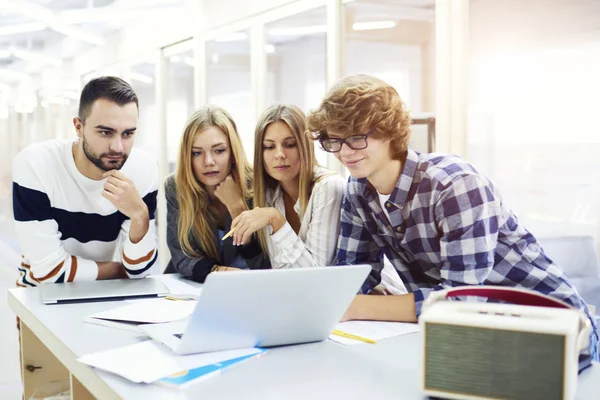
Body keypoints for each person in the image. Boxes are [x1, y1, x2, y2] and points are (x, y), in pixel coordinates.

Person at [307, 74, 598, 365]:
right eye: (335, 140)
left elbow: (461, 302)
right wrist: (345, 300)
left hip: (554, 332)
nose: (345, 151)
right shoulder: (358, 192)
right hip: (473, 338)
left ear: (389, 132)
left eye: (357, 137)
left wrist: (362, 306)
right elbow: (350, 277)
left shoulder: (454, 185)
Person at [13, 76, 158, 287]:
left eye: (128, 133)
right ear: (78, 127)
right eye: (105, 132)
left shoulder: (142, 168)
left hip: (105, 296)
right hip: (40, 297)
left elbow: (139, 269)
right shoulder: (36, 165)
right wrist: (119, 270)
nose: (117, 147)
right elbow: (49, 272)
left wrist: (140, 215)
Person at [230, 104, 344, 269]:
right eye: (269, 147)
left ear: (305, 147)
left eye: (290, 144)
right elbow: (281, 271)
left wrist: (276, 220)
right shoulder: (268, 194)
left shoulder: (328, 188)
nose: (279, 154)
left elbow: (315, 276)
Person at [165, 106, 269, 282]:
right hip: (193, 286)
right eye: (197, 153)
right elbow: (182, 257)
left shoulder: (258, 184)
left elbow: (264, 264)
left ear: (233, 152)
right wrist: (220, 272)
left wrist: (237, 208)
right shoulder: (176, 187)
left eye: (219, 151)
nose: (209, 162)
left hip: (250, 287)